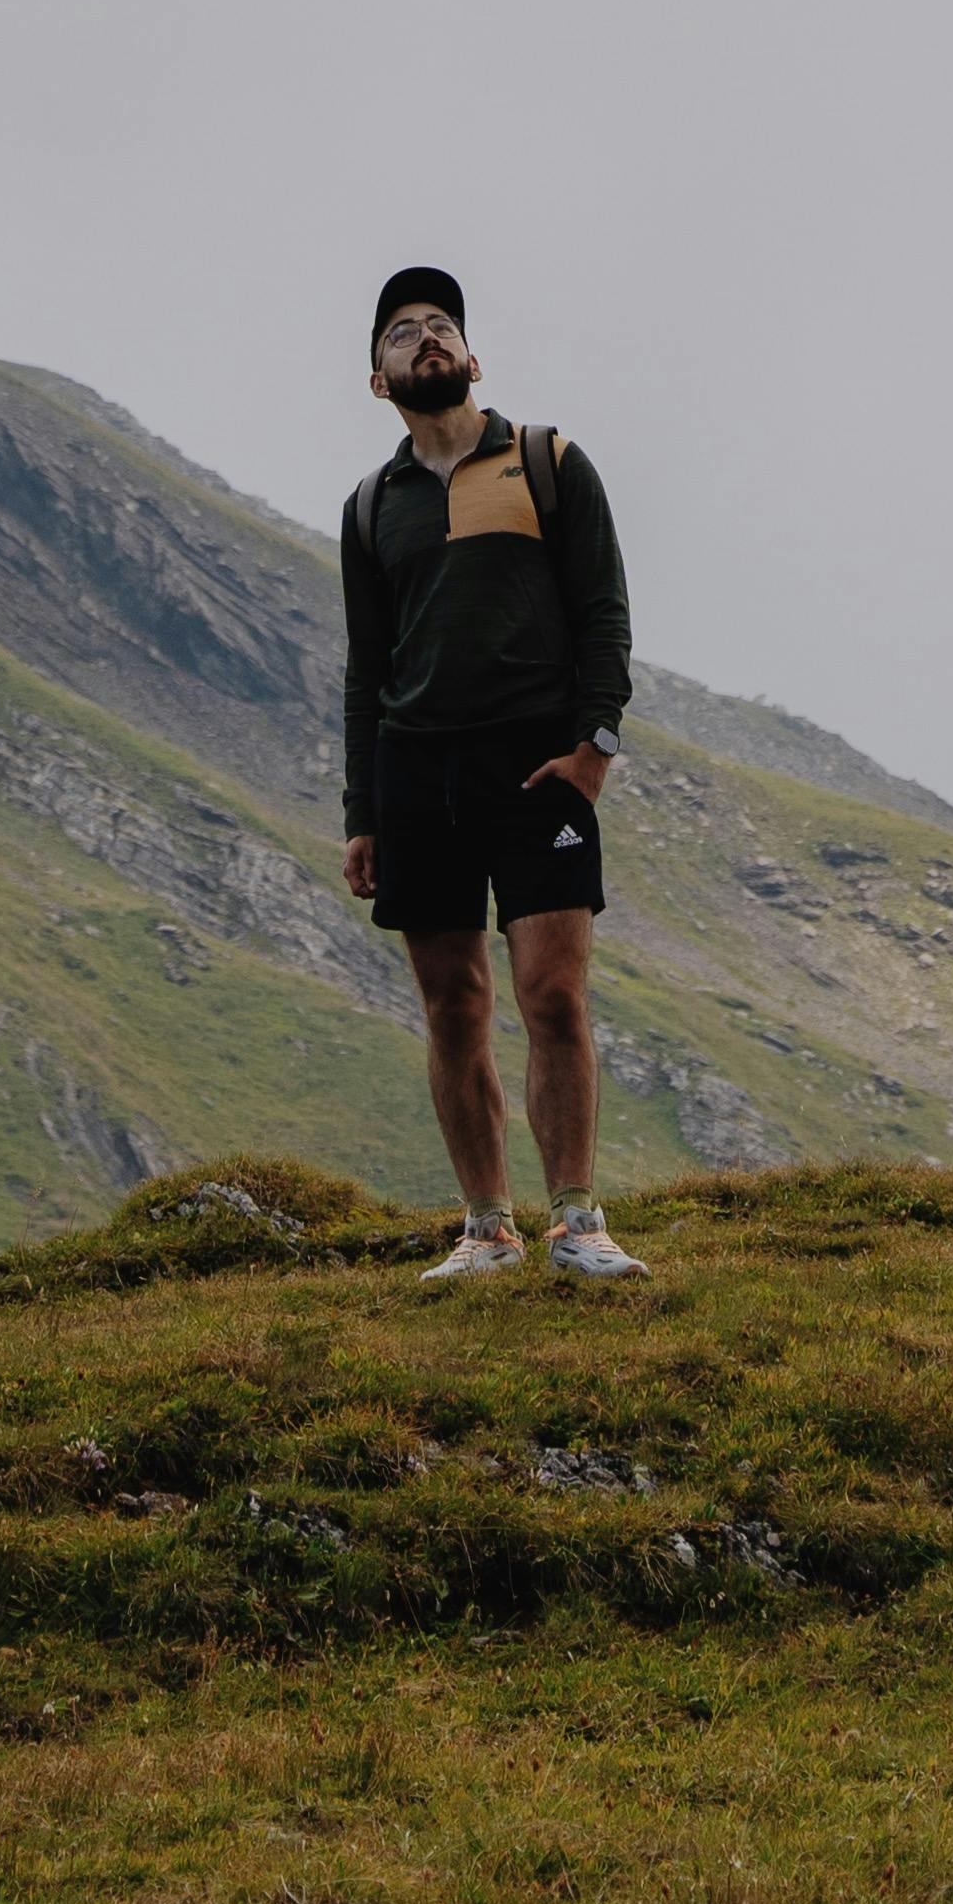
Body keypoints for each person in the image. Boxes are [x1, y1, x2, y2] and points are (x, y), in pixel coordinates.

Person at [339, 264, 648, 1286]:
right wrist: (362, 811)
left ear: (472, 361)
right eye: (401, 332)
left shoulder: (548, 462)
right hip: (414, 773)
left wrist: (594, 750)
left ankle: (577, 1223)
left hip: (535, 766)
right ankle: (486, 1230)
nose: (425, 337)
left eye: (441, 325)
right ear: (378, 380)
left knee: (551, 995)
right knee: (454, 1008)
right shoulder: (370, 507)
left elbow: (603, 611)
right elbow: (367, 670)